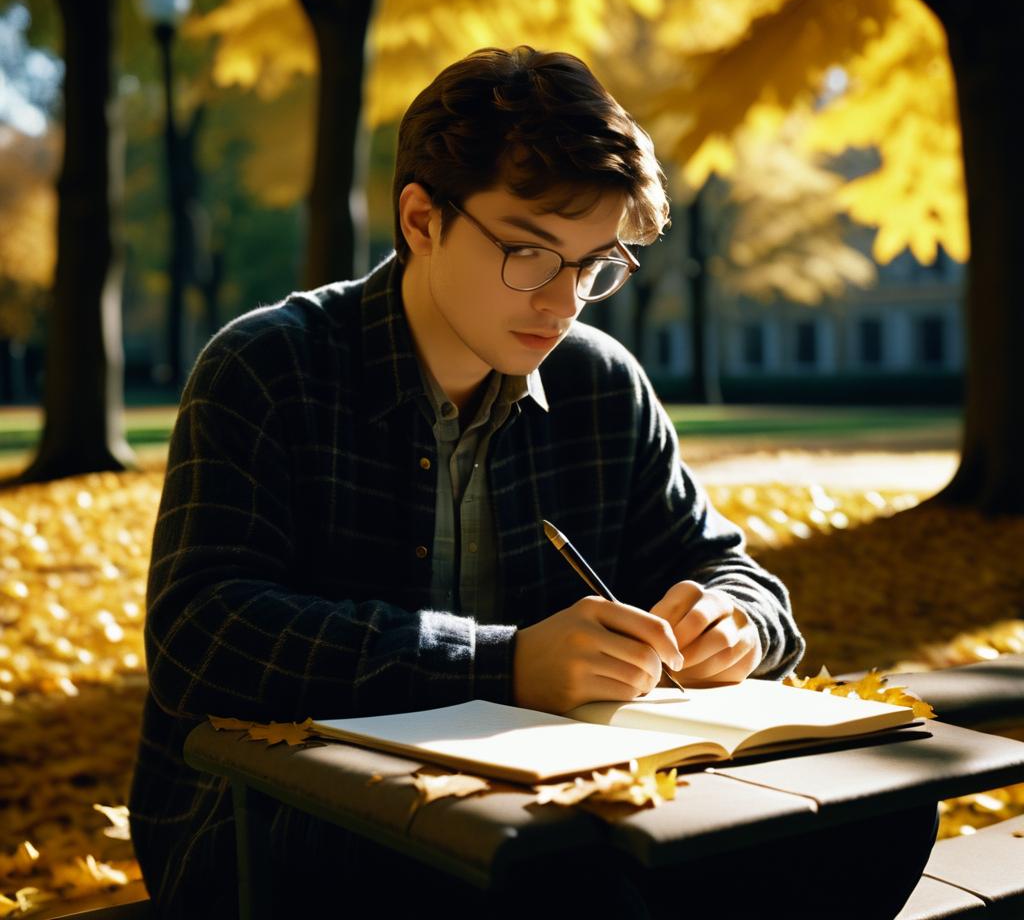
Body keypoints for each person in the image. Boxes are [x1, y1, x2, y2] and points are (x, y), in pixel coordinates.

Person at [129, 46, 929, 919]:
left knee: (883, 816)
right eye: (530, 252)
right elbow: (199, 633)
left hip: (559, 804)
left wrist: (731, 625)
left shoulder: (599, 383)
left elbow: (740, 579)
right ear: (421, 219)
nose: (562, 301)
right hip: (283, 823)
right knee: (564, 884)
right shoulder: (268, 366)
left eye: (593, 267)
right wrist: (502, 665)